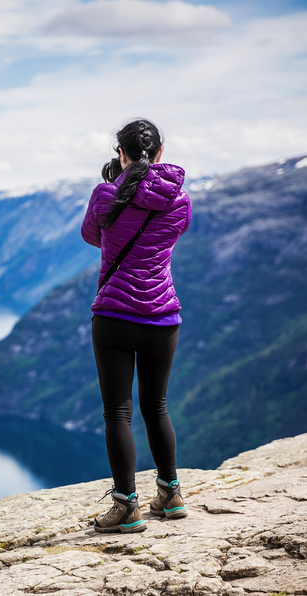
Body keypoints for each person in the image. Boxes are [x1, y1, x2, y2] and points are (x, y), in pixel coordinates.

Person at [80, 118, 192, 533]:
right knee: (157, 407)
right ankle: (170, 493)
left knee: (117, 413)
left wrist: (116, 185)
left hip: (114, 317)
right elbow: (171, 233)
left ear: (120, 154)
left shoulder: (106, 195)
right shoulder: (180, 201)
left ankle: (127, 506)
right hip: (163, 318)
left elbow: (92, 235)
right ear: (160, 153)